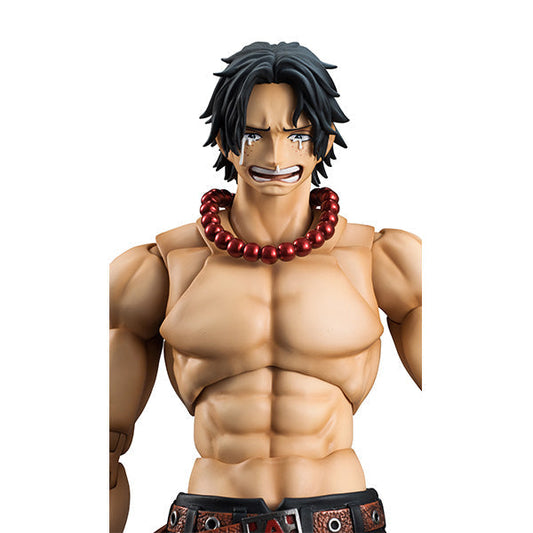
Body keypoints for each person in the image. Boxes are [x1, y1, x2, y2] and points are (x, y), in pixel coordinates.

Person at [110, 41, 421, 533]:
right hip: (211, 516)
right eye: (254, 135)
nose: (276, 156)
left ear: (325, 141)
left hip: (338, 515)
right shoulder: (160, 268)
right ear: (224, 141)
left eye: (297, 136)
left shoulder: (381, 260)